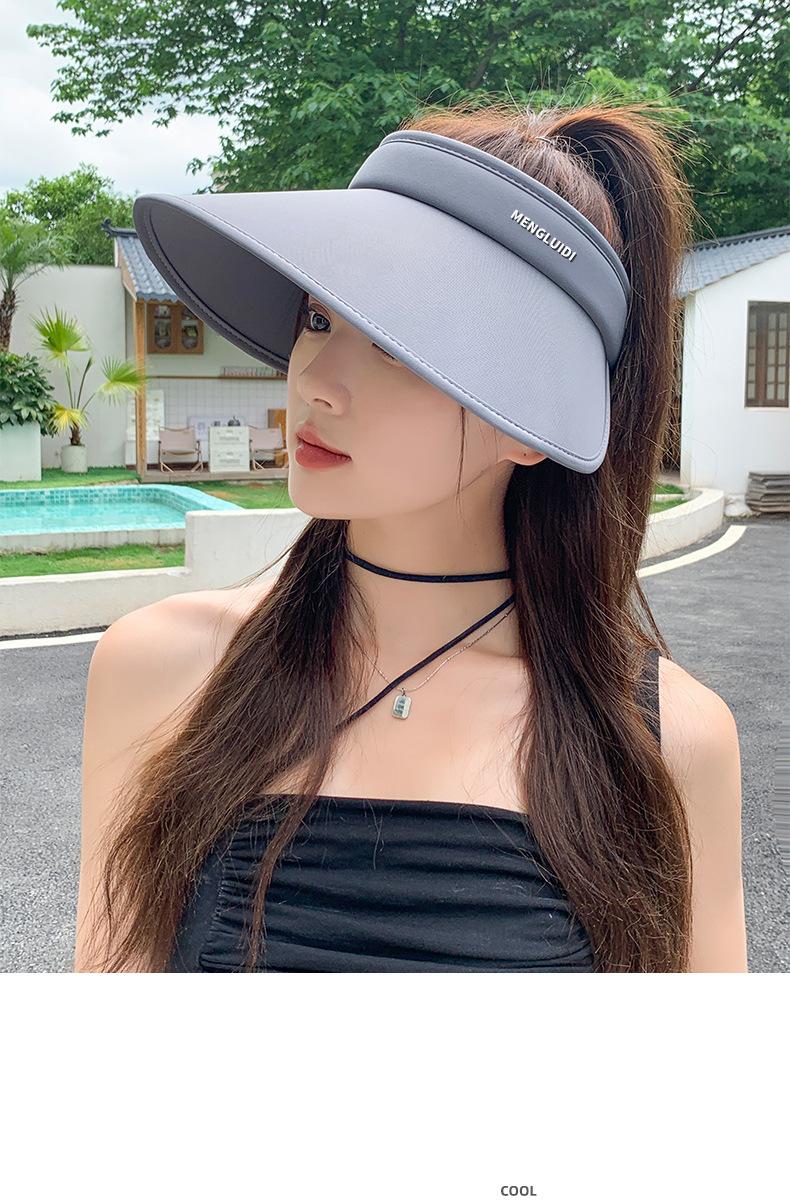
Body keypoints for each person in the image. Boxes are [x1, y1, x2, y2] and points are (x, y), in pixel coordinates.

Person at [74, 99, 748, 973]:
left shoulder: (667, 740)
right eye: (319, 318)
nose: (315, 382)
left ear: (530, 422)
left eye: (397, 343)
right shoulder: (163, 670)